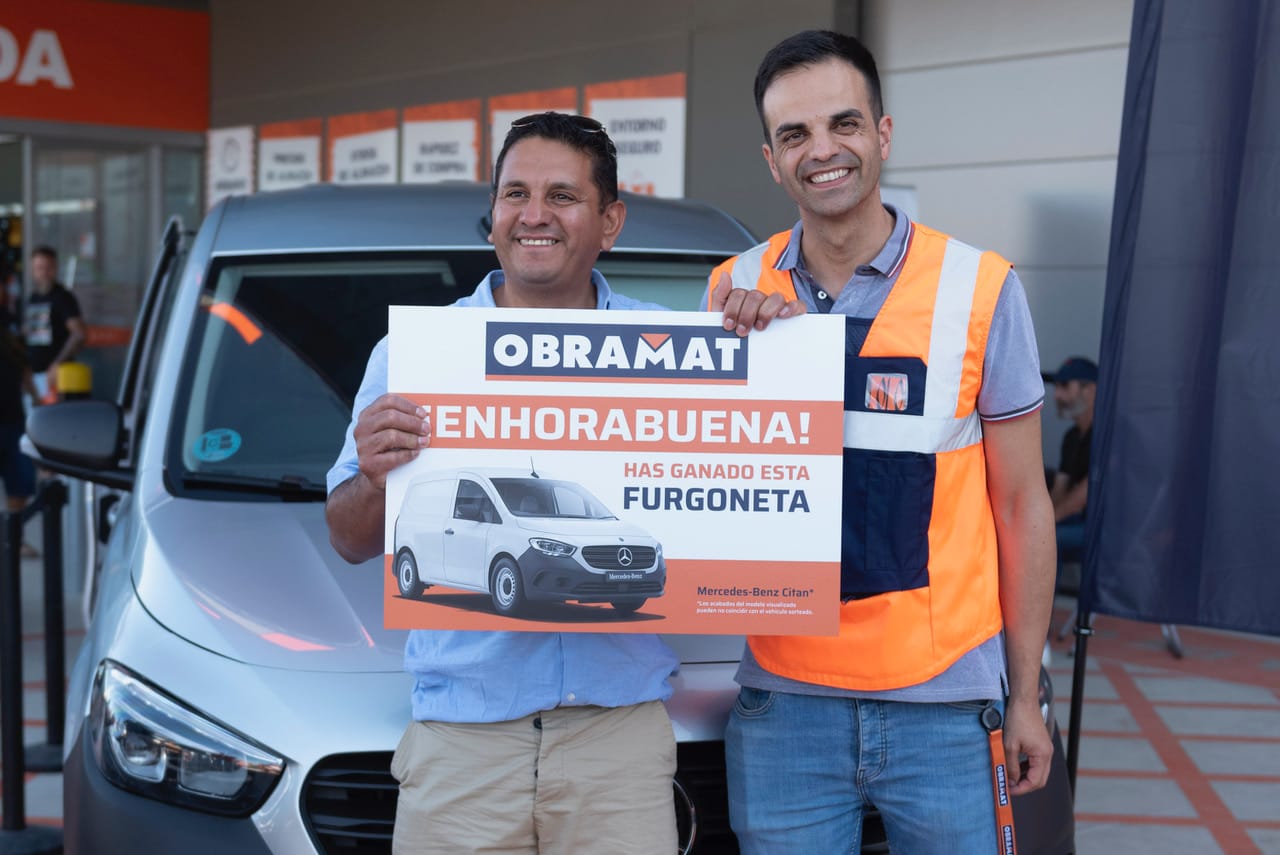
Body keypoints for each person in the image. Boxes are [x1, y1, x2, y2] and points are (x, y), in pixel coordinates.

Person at [706, 30, 1057, 853]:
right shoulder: (730, 289)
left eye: (844, 124)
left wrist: (1026, 694)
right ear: (770, 158)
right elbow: (707, 485)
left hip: (947, 706)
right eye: (795, 135)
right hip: (784, 705)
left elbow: (1021, 503)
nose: (822, 151)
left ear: (883, 133)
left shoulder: (982, 288)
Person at [325, 112, 679, 855]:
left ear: (610, 221)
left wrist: (772, 334)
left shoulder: (673, 352)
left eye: (563, 195)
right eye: (516, 193)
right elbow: (350, 537)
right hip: (462, 743)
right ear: (493, 220)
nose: (535, 214)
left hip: (618, 742)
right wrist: (379, 474)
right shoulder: (415, 353)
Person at [1049, 356, 1097, 570]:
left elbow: (1084, 494)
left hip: (1106, 531)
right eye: (1057, 387)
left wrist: (1046, 527)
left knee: (1048, 542)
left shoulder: (1109, 436)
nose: (1057, 395)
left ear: (1090, 390)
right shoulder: (1071, 437)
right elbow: (1059, 488)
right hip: (1077, 522)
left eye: (1065, 386)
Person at [23, 245, 86, 401]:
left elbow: (79, 334)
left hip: (59, 377)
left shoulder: (63, 297)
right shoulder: (32, 298)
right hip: (35, 377)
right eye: (39, 267)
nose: (44, 272)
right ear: (32, 269)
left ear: (56, 268)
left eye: (48, 267)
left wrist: (58, 364)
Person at [1, 326, 39, 555]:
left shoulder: (12, 339)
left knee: (19, 486)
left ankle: (15, 540)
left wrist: (36, 399)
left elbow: (25, 374)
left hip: (13, 422)